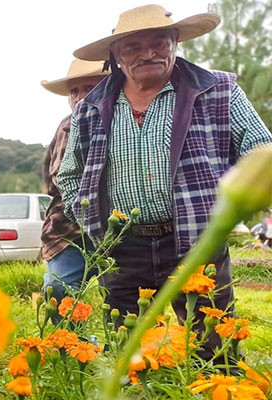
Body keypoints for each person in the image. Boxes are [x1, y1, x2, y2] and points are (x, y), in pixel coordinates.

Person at [57, 5, 272, 350]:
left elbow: (261, 150)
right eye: (133, 47)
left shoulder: (218, 90)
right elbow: (69, 174)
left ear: (176, 42)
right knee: (128, 350)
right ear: (114, 55)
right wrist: (90, 220)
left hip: (197, 238)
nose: (149, 53)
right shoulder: (91, 107)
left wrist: (232, 210)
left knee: (214, 345)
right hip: (121, 246)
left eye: (160, 41)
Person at [39, 59, 108, 301]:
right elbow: (55, 180)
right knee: (57, 290)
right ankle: (71, 339)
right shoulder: (68, 126)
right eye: (74, 91)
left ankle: (117, 340)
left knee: (122, 297)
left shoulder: (124, 120)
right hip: (70, 228)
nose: (79, 97)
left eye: (89, 88)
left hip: (118, 228)